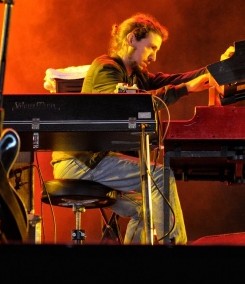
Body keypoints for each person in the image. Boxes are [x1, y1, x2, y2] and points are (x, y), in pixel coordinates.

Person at [50, 13, 230, 244]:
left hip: (94, 162)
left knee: (147, 208)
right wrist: (185, 88)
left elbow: (173, 80)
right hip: (80, 162)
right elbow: (125, 106)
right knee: (160, 176)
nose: (154, 56)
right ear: (132, 39)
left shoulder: (137, 76)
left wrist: (217, 68)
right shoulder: (105, 67)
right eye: (151, 48)